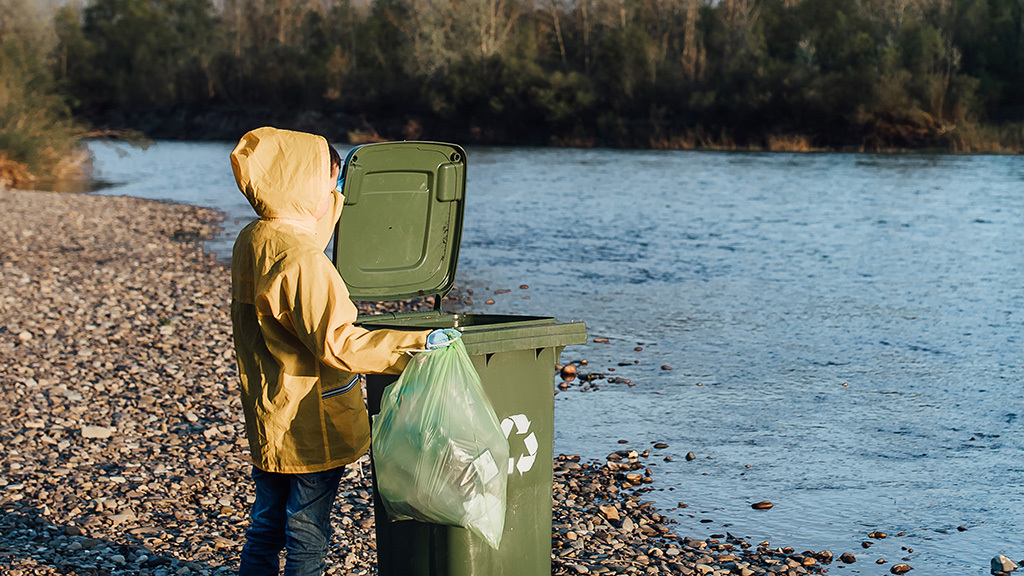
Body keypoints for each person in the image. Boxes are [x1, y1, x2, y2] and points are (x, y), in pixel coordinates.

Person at [229, 126, 446, 575]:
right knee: (307, 532)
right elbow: (340, 343)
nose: (335, 186)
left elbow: (303, 230)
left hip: (270, 410)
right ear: (305, 182)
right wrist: (418, 344)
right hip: (312, 421)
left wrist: (338, 198)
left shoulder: (255, 238)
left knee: (267, 521)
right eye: (331, 179)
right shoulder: (305, 263)